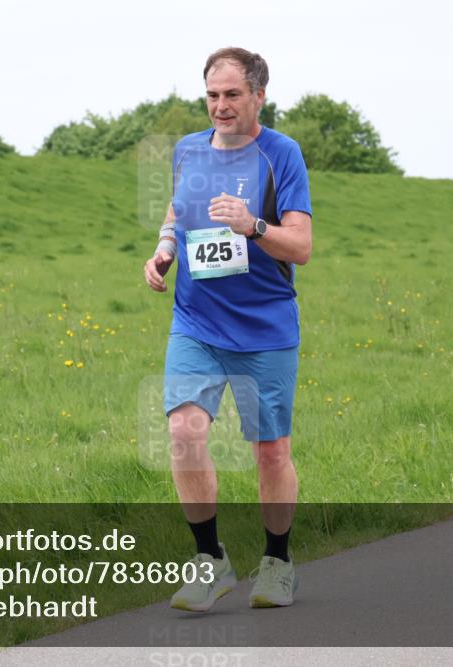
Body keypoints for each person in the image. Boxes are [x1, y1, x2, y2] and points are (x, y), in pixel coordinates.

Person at [142, 46, 313, 612]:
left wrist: (253, 225)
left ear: (259, 96)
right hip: (196, 322)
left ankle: (277, 562)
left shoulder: (280, 155)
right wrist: (165, 249)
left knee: (270, 452)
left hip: (265, 326)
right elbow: (176, 211)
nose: (220, 106)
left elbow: (302, 247)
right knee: (184, 433)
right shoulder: (188, 150)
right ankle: (210, 561)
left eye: (232, 95)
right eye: (212, 95)